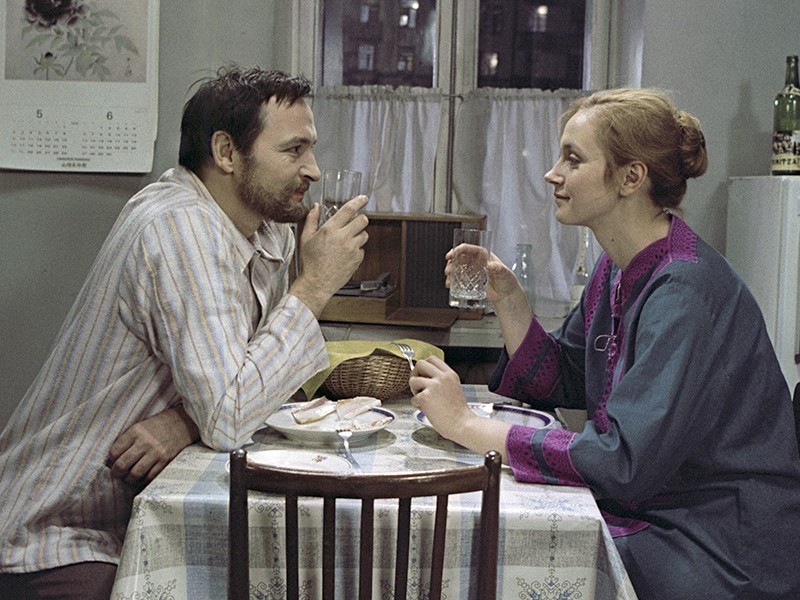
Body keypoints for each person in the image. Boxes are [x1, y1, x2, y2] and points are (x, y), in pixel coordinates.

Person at [410, 88, 800, 599]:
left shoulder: (684, 291)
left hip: (717, 542)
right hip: (658, 512)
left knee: (516, 558)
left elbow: (622, 462)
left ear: (630, 178)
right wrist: (509, 299)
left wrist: (464, 423)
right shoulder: (616, 267)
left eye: (573, 159)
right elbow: (567, 377)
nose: (552, 174)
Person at [0, 65, 369, 599]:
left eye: (310, 149)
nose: (313, 169)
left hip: (131, 513)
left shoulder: (265, 231)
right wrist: (313, 287)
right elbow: (232, 414)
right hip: (52, 531)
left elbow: (256, 381)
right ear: (226, 153)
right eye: (294, 150)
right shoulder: (180, 226)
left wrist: (185, 420)